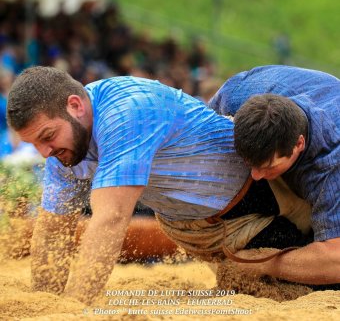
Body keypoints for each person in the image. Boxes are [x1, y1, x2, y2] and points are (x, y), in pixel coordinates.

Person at [7, 66, 307, 304]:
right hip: (197, 230)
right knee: (243, 288)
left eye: (47, 137)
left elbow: (110, 218)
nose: (44, 153)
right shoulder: (64, 147)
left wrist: (74, 307)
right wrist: (46, 301)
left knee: (318, 280)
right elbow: (53, 228)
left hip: (259, 197)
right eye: (34, 144)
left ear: (75, 106)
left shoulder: (126, 111)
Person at [209, 65, 340, 286]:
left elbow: (335, 260)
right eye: (250, 164)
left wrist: (262, 262)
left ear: (299, 144)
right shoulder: (233, 97)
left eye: (268, 166)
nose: (256, 175)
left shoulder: (331, 165)